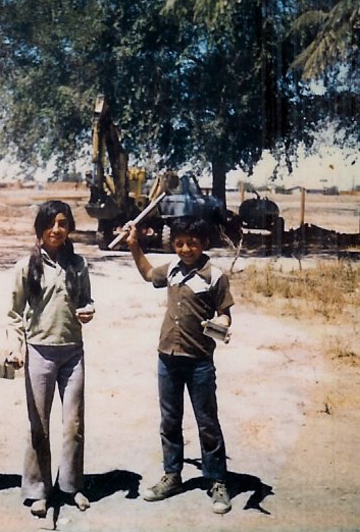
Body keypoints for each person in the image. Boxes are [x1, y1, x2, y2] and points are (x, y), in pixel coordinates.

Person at [124, 216, 234, 514]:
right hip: (167, 358)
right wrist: (134, 245)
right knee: (169, 421)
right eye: (179, 243)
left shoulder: (215, 275)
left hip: (199, 362)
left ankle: (217, 481)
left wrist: (220, 324)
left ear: (204, 244)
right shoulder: (171, 269)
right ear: (173, 244)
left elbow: (225, 315)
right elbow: (148, 273)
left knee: (207, 423)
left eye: (192, 243)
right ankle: (172, 476)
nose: (185, 249)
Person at [6, 200, 95, 518]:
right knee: (38, 426)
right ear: (40, 228)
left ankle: (71, 487)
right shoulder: (25, 265)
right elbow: (14, 314)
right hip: (39, 354)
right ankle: (38, 490)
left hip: (73, 353)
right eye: (51, 223)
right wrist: (16, 348)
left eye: (63, 223)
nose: (57, 230)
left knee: (73, 425)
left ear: (69, 228)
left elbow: (87, 300)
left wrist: (88, 311)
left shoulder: (79, 264)